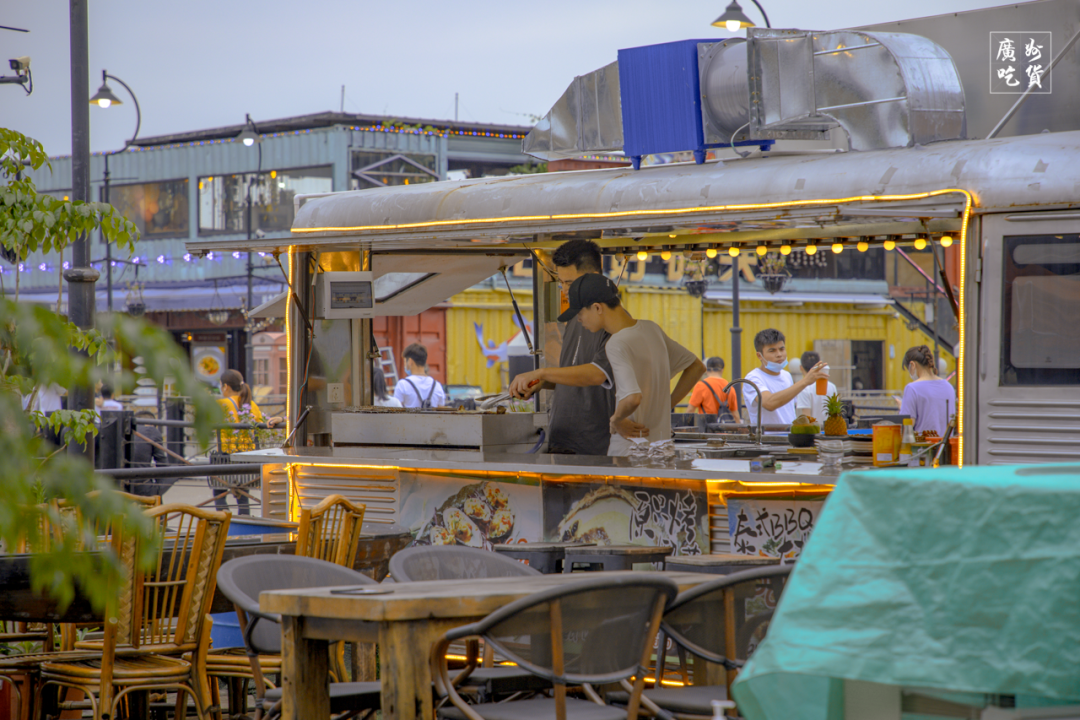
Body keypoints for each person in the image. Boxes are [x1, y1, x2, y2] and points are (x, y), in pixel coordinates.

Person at [560, 273, 705, 456]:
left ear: (597, 308)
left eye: (580, 313)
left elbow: (632, 398)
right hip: (663, 450)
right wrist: (665, 404)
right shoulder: (651, 329)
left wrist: (616, 420)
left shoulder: (616, 343)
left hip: (631, 452)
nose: (579, 320)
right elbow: (697, 367)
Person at [507, 239, 619, 455]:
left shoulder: (612, 323)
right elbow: (574, 375)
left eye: (570, 283)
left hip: (592, 445)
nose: (565, 290)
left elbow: (597, 374)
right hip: (561, 439)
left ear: (595, 275)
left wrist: (541, 372)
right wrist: (542, 383)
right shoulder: (577, 318)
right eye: (562, 284)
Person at [215, 369, 282, 513]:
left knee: (218, 492)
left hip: (226, 455)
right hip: (247, 455)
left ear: (225, 386)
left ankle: (222, 520)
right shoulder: (251, 404)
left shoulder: (221, 403)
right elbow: (260, 424)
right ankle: (244, 520)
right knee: (242, 494)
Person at [742, 329, 828, 428]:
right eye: (772, 350)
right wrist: (804, 381)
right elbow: (769, 403)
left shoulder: (786, 375)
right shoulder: (753, 378)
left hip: (790, 438)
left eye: (782, 349)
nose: (779, 354)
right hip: (768, 440)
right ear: (759, 355)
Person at [900, 345, 957, 437]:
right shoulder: (948, 387)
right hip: (946, 448)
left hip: (923, 449)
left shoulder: (912, 388)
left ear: (912, 365)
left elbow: (908, 424)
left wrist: (903, 409)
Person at [128, 411, 173, 497]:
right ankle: (157, 500)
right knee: (176, 470)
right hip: (142, 489)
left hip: (117, 487)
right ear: (152, 424)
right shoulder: (151, 431)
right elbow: (162, 464)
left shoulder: (122, 431)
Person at [394, 343, 446, 409]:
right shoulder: (437, 386)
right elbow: (442, 411)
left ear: (410, 361)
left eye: (405, 361)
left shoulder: (402, 385)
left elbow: (395, 411)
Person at [688, 356, 738, 421]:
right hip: (725, 428)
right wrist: (739, 429)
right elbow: (735, 414)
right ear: (722, 370)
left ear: (706, 369)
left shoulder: (701, 385)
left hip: (706, 428)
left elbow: (690, 410)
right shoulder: (730, 387)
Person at [794, 351, 837, 421]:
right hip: (829, 429)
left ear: (801, 367)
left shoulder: (803, 387)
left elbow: (806, 418)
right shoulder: (832, 386)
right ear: (819, 365)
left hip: (814, 430)